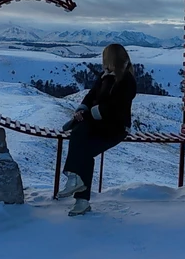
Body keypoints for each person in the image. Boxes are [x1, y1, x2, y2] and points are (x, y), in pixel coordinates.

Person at [58, 44, 137, 216]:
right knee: (82, 140)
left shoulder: (126, 81)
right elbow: (91, 95)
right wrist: (82, 109)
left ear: (110, 59)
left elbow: (113, 109)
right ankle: (79, 194)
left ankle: (75, 182)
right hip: (99, 124)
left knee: (81, 140)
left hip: (116, 128)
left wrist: (86, 115)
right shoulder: (105, 76)